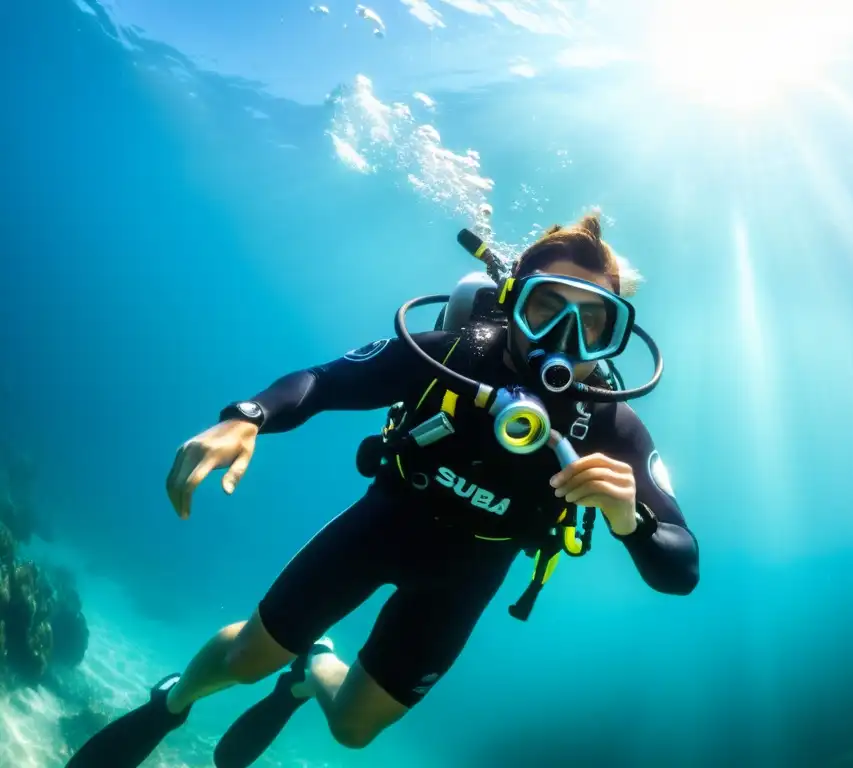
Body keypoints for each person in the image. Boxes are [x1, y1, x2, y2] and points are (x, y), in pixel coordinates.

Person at [66, 213, 700, 768]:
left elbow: (681, 564)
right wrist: (247, 416)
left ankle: (311, 671)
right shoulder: (450, 355)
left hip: (468, 575)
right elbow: (324, 382)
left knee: (352, 730)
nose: (566, 340)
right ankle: (173, 700)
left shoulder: (610, 426)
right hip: (386, 522)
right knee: (247, 660)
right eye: (546, 308)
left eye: (593, 323)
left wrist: (631, 521)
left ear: (615, 335)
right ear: (511, 301)